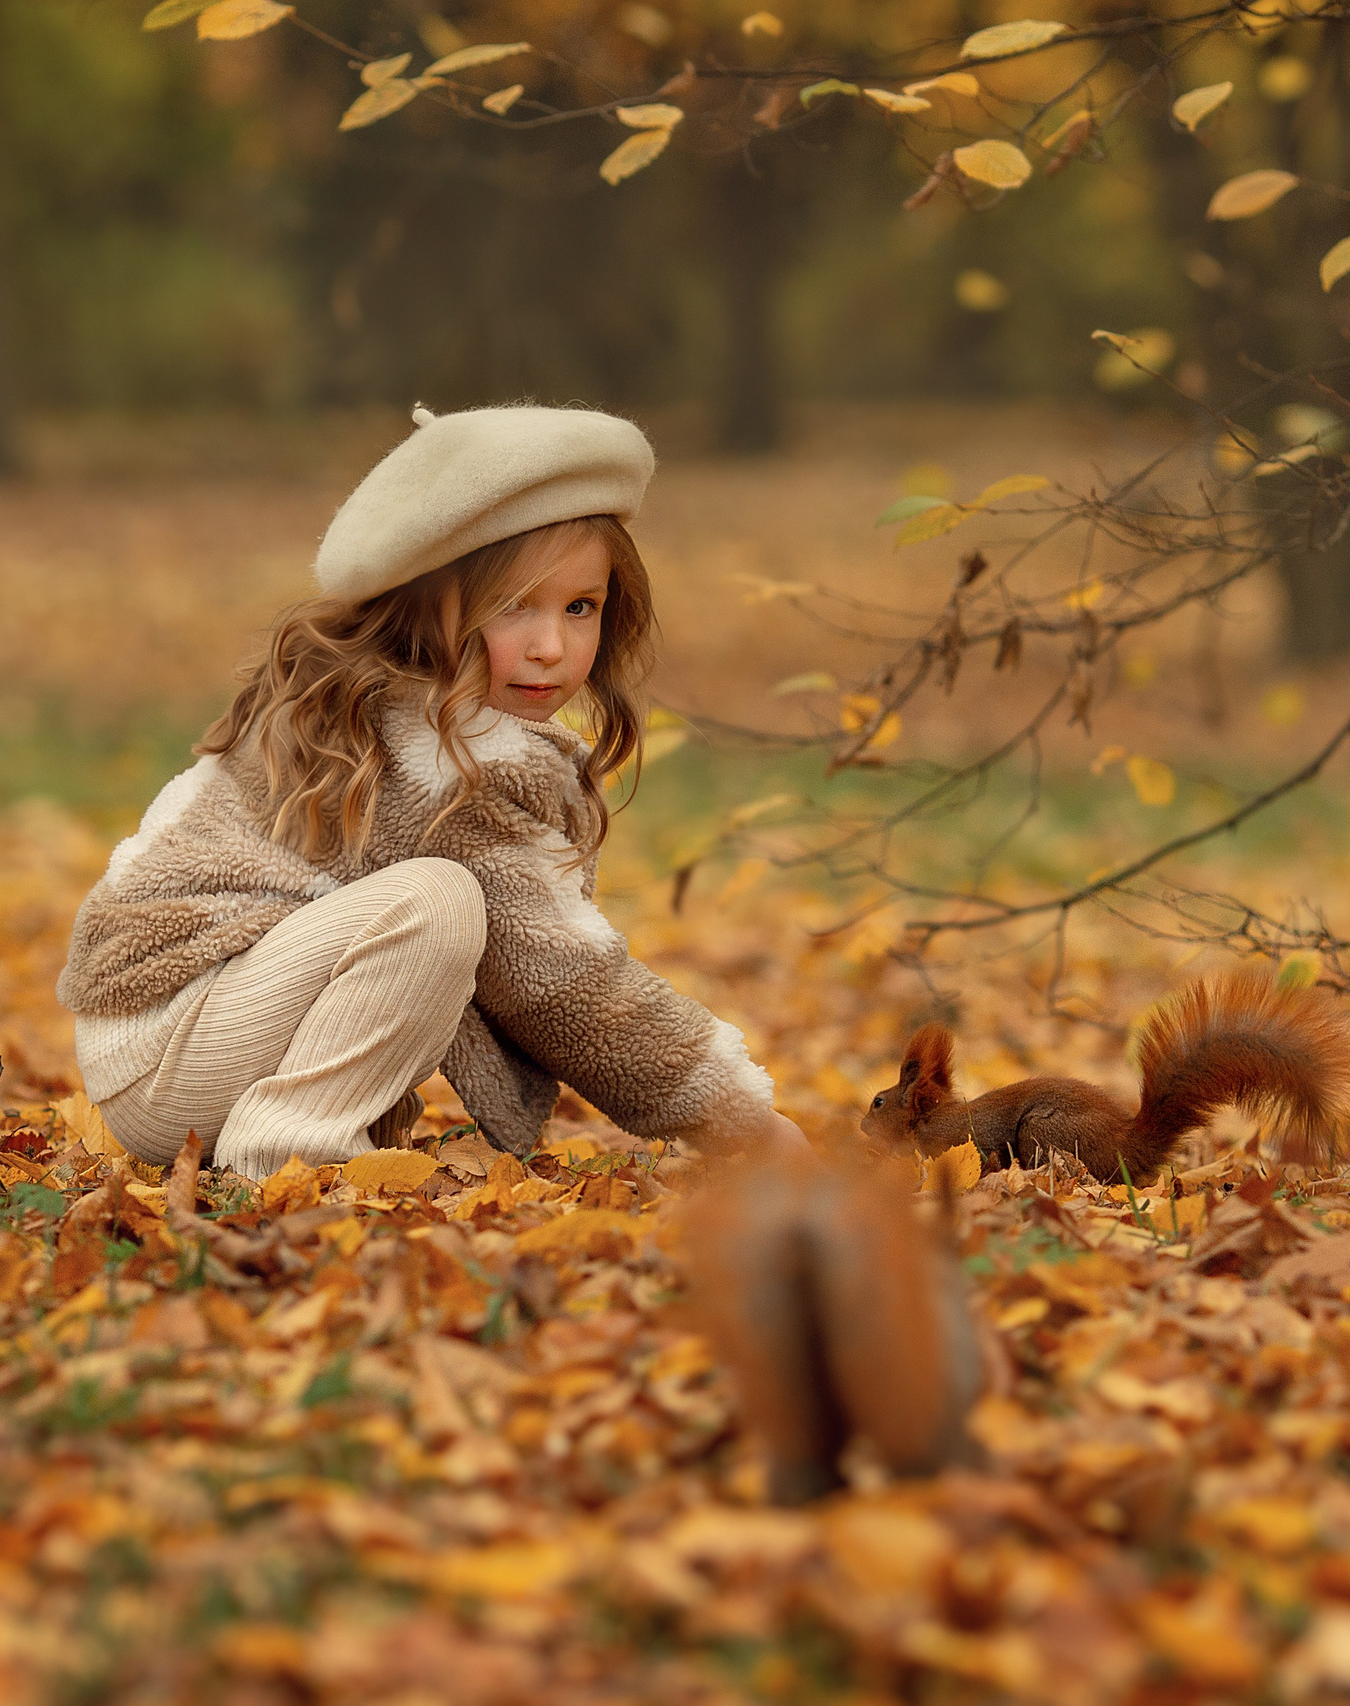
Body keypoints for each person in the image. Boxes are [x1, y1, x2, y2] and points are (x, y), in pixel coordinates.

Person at [55, 403, 809, 1179]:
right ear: (424, 604)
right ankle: (287, 1153)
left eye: (580, 607)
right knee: (438, 903)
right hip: (176, 1040)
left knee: (429, 911)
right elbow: (564, 986)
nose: (551, 646)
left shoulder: (394, 703)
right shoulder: (447, 754)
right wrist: (746, 1122)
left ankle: (299, 1131)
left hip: (159, 1042)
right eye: (512, 605)